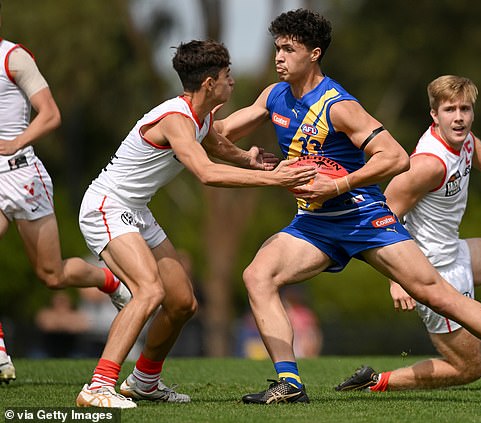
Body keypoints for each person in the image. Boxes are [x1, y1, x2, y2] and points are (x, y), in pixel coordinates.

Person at [214, 8, 481, 405]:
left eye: (288, 49)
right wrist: (200, 134)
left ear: (314, 54)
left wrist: (337, 185)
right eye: (277, 48)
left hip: (363, 217)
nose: (279, 57)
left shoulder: (338, 105)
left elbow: (395, 157)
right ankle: (289, 383)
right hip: (314, 224)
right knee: (257, 276)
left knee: (440, 295)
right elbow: (217, 134)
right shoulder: (274, 95)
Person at [74, 39, 317, 409]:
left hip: (135, 210)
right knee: (149, 291)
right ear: (209, 83)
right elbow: (205, 172)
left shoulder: (199, 116)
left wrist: (250, 160)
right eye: (227, 76)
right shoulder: (176, 118)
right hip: (106, 206)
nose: (231, 82)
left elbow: (217, 145)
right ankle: (97, 386)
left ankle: (144, 381)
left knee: (183, 303)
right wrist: (276, 180)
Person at [335, 75, 481, 393]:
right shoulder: (428, 164)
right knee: (467, 369)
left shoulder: (462, 137)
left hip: (454, 251)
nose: (459, 117)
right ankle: (375, 381)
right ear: (434, 115)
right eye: (450, 110)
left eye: (465, 109)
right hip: (431, 271)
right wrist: (397, 279)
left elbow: (475, 147)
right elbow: (382, 214)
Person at [0, 1, 130, 384]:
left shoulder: (14, 58)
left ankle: (109, 281)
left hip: (21, 174)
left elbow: (50, 113)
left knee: (52, 275)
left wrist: (16, 142)